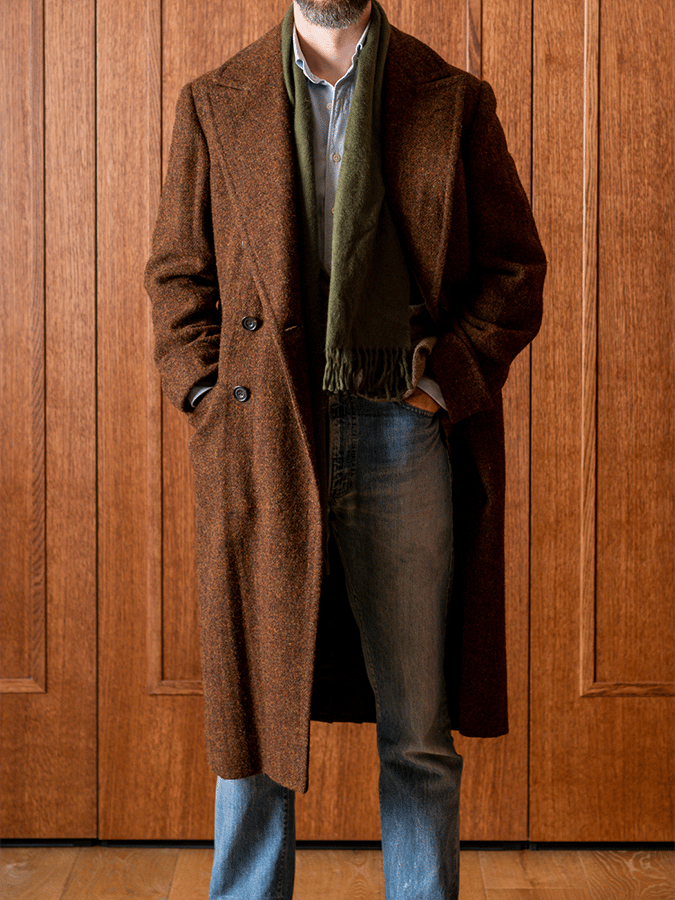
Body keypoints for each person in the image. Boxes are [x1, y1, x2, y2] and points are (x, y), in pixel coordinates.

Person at [145, 0, 546, 896]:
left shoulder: (451, 99)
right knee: (253, 722)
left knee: (416, 728)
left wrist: (439, 383)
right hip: (263, 431)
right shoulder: (214, 100)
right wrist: (207, 394)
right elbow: (176, 275)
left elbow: (515, 270)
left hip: (398, 429)